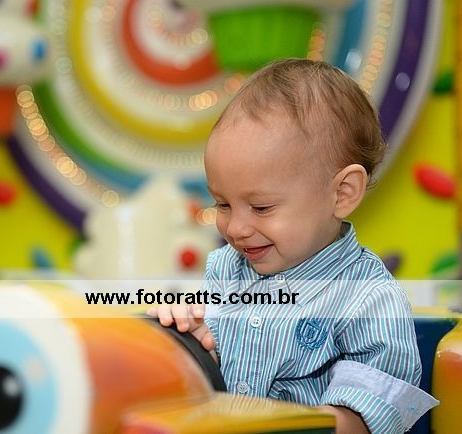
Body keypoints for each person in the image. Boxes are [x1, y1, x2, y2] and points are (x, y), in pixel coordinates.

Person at [148, 59, 438, 434]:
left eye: (261, 207)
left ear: (342, 193)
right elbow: (211, 379)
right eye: (223, 204)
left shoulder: (367, 298)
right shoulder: (226, 270)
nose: (235, 228)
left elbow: (366, 416)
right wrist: (191, 338)